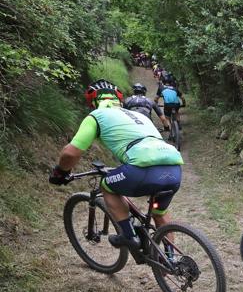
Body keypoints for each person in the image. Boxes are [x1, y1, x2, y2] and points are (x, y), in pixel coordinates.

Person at [48, 79, 184, 253]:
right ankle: (170, 258)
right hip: (173, 168)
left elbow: (70, 153)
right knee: (159, 212)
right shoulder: (140, 117)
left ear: (93, 102)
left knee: (107, 186)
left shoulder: (96, 116)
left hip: (142, 169)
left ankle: (129, 236)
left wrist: (60, 172)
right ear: (119, 100)